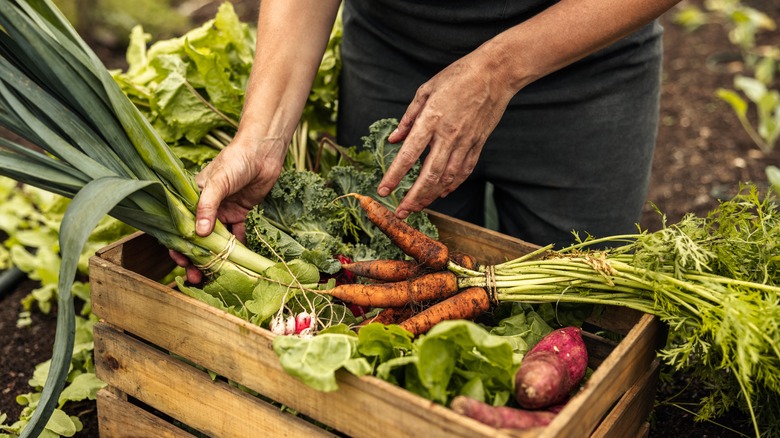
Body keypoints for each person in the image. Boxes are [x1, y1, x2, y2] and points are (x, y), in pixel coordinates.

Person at [172, 0, 682, 283]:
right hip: (396, 62)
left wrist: (497, 70)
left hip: (585, 67)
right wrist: (261, 136)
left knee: (582, 307)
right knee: (382, 282)